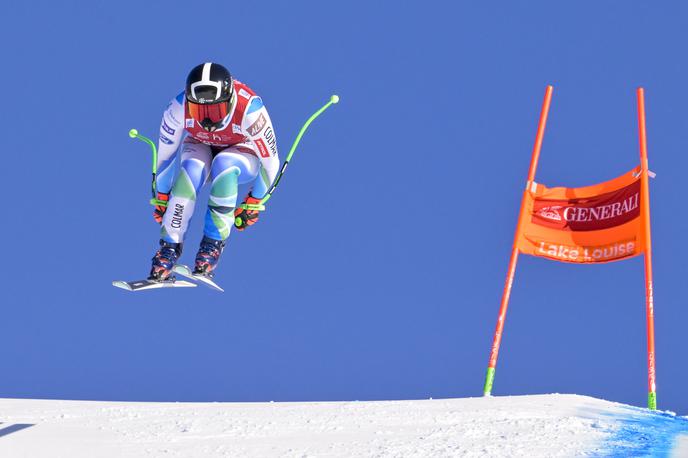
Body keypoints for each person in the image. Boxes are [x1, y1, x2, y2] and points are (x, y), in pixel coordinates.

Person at [148, 62, 280, 281]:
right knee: (191, 169)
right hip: (199, 143)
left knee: (225, 164)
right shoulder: (177, 109)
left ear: (228, 101)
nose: (207, 119)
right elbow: (165, 157)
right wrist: (162, 196)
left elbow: (270, 162)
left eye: (215, 110)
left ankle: (211, 248)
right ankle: (168, 250)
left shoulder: (250, 109)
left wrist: (254, 201)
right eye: (199, 110)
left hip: (241, 149)